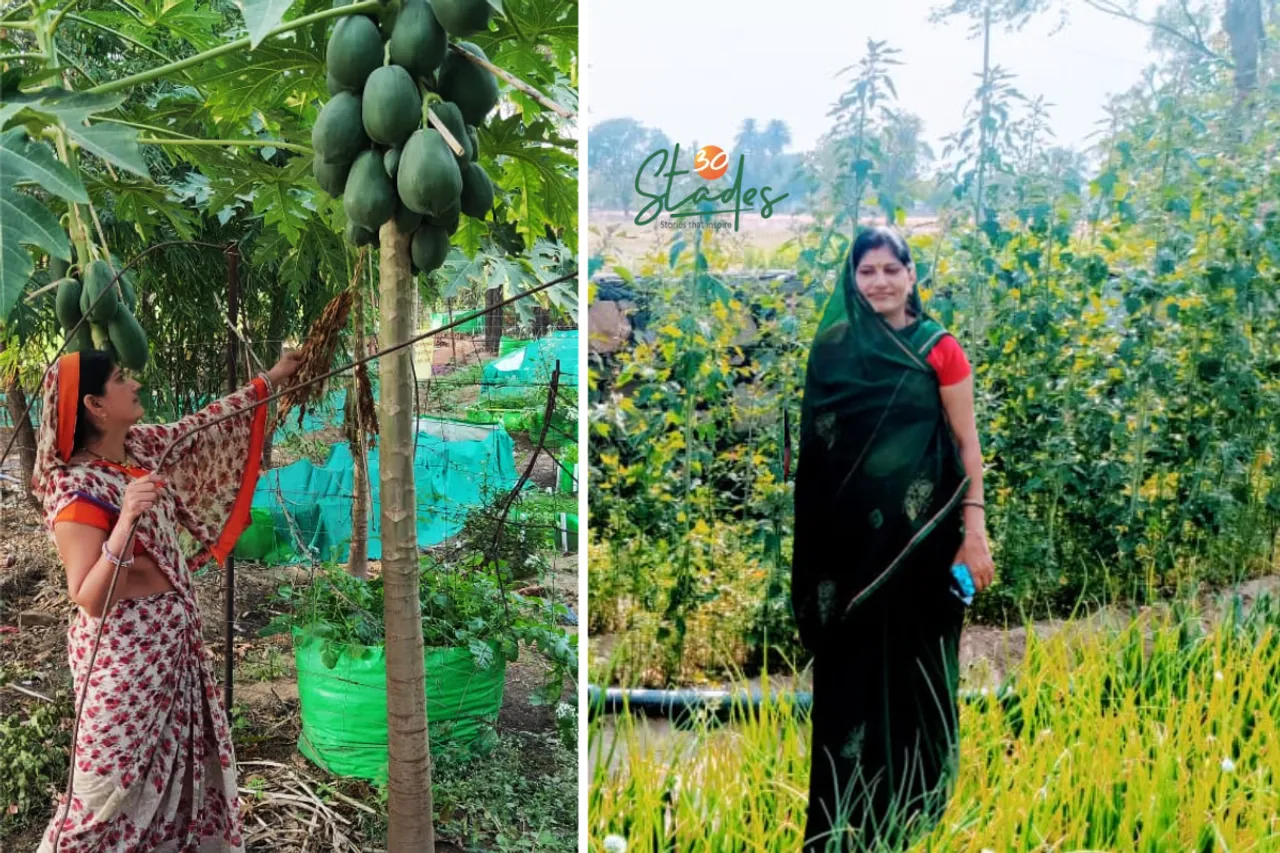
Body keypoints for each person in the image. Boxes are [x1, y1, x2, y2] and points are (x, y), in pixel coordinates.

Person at [31, 348, 299, 852]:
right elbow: (89, 598)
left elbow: (200, 428)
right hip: (124, 663)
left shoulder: (138, 449)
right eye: (119, 379)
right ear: (94, 403)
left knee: (177, 787)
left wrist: (272, 379)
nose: (132, 384)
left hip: (170, 645)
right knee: (100, 799)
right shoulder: (75, 489)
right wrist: (127, 519)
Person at [791, 226, 995, 852]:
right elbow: (821, 453)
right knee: (848, 679)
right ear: (851, 280)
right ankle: (842, 826)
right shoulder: (832, 349)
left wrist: (974, 530)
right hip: (846, 555)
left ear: (912, 275)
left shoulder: (939, 349)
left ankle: (915, 816)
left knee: (920, 674)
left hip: (925, 549)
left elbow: (966, 445)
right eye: (866, 271)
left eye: (889, 269)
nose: (878, 281)